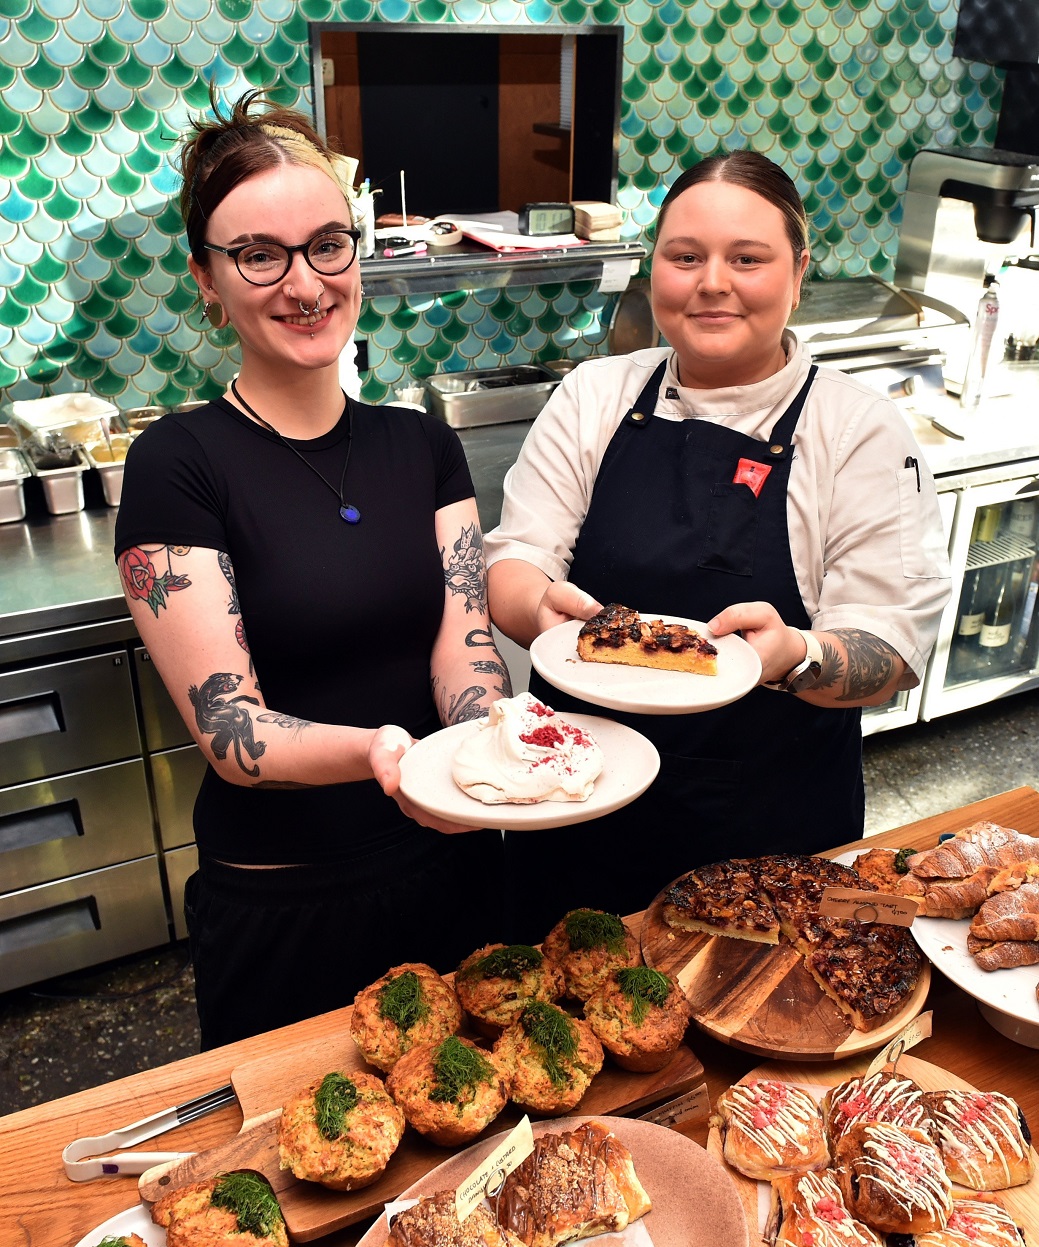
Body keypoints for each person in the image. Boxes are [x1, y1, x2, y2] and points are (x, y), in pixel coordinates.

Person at [114, 92, 511, 1049]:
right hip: (290, 902)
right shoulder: (178, 462)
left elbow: (463, 651)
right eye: (259, 254)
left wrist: (493, 738)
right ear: (208, 280)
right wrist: (388, 756)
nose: (304, 284)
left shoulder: (421, 445)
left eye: (327, 244)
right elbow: (231, 728)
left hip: (452, 867)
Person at [486, 151, 951, 938]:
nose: (711, 282)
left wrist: (793, 655)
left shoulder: (857, 429)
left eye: (747, 258)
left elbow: (891, 654)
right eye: (684, 256)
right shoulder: (595, 395)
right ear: (653, 267)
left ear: (797, 273)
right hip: (576, 802)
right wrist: (540, 606)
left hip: (768, 834)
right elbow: (511, 564)